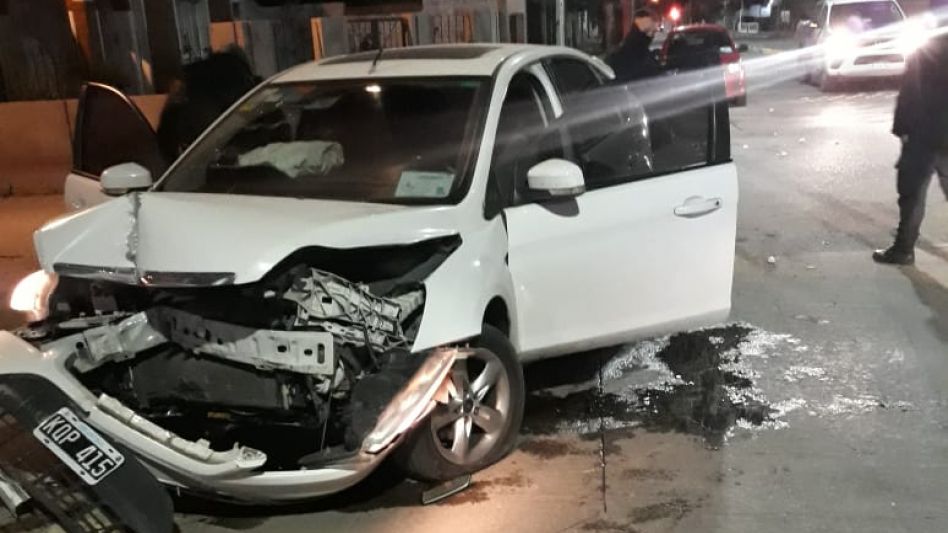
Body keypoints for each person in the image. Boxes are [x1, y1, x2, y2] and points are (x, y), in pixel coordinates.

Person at [872, 9, 948, 265]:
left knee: (912, 196)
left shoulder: (925, 51)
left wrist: (902, 129)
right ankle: (903, 248)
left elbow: (909, 92)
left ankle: (904, 249)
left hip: (924, 136)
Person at [606, 9, 661, 83]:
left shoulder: (633, 45)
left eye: (654, 32)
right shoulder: (634, 49)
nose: (652, 35)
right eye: (650, 31)